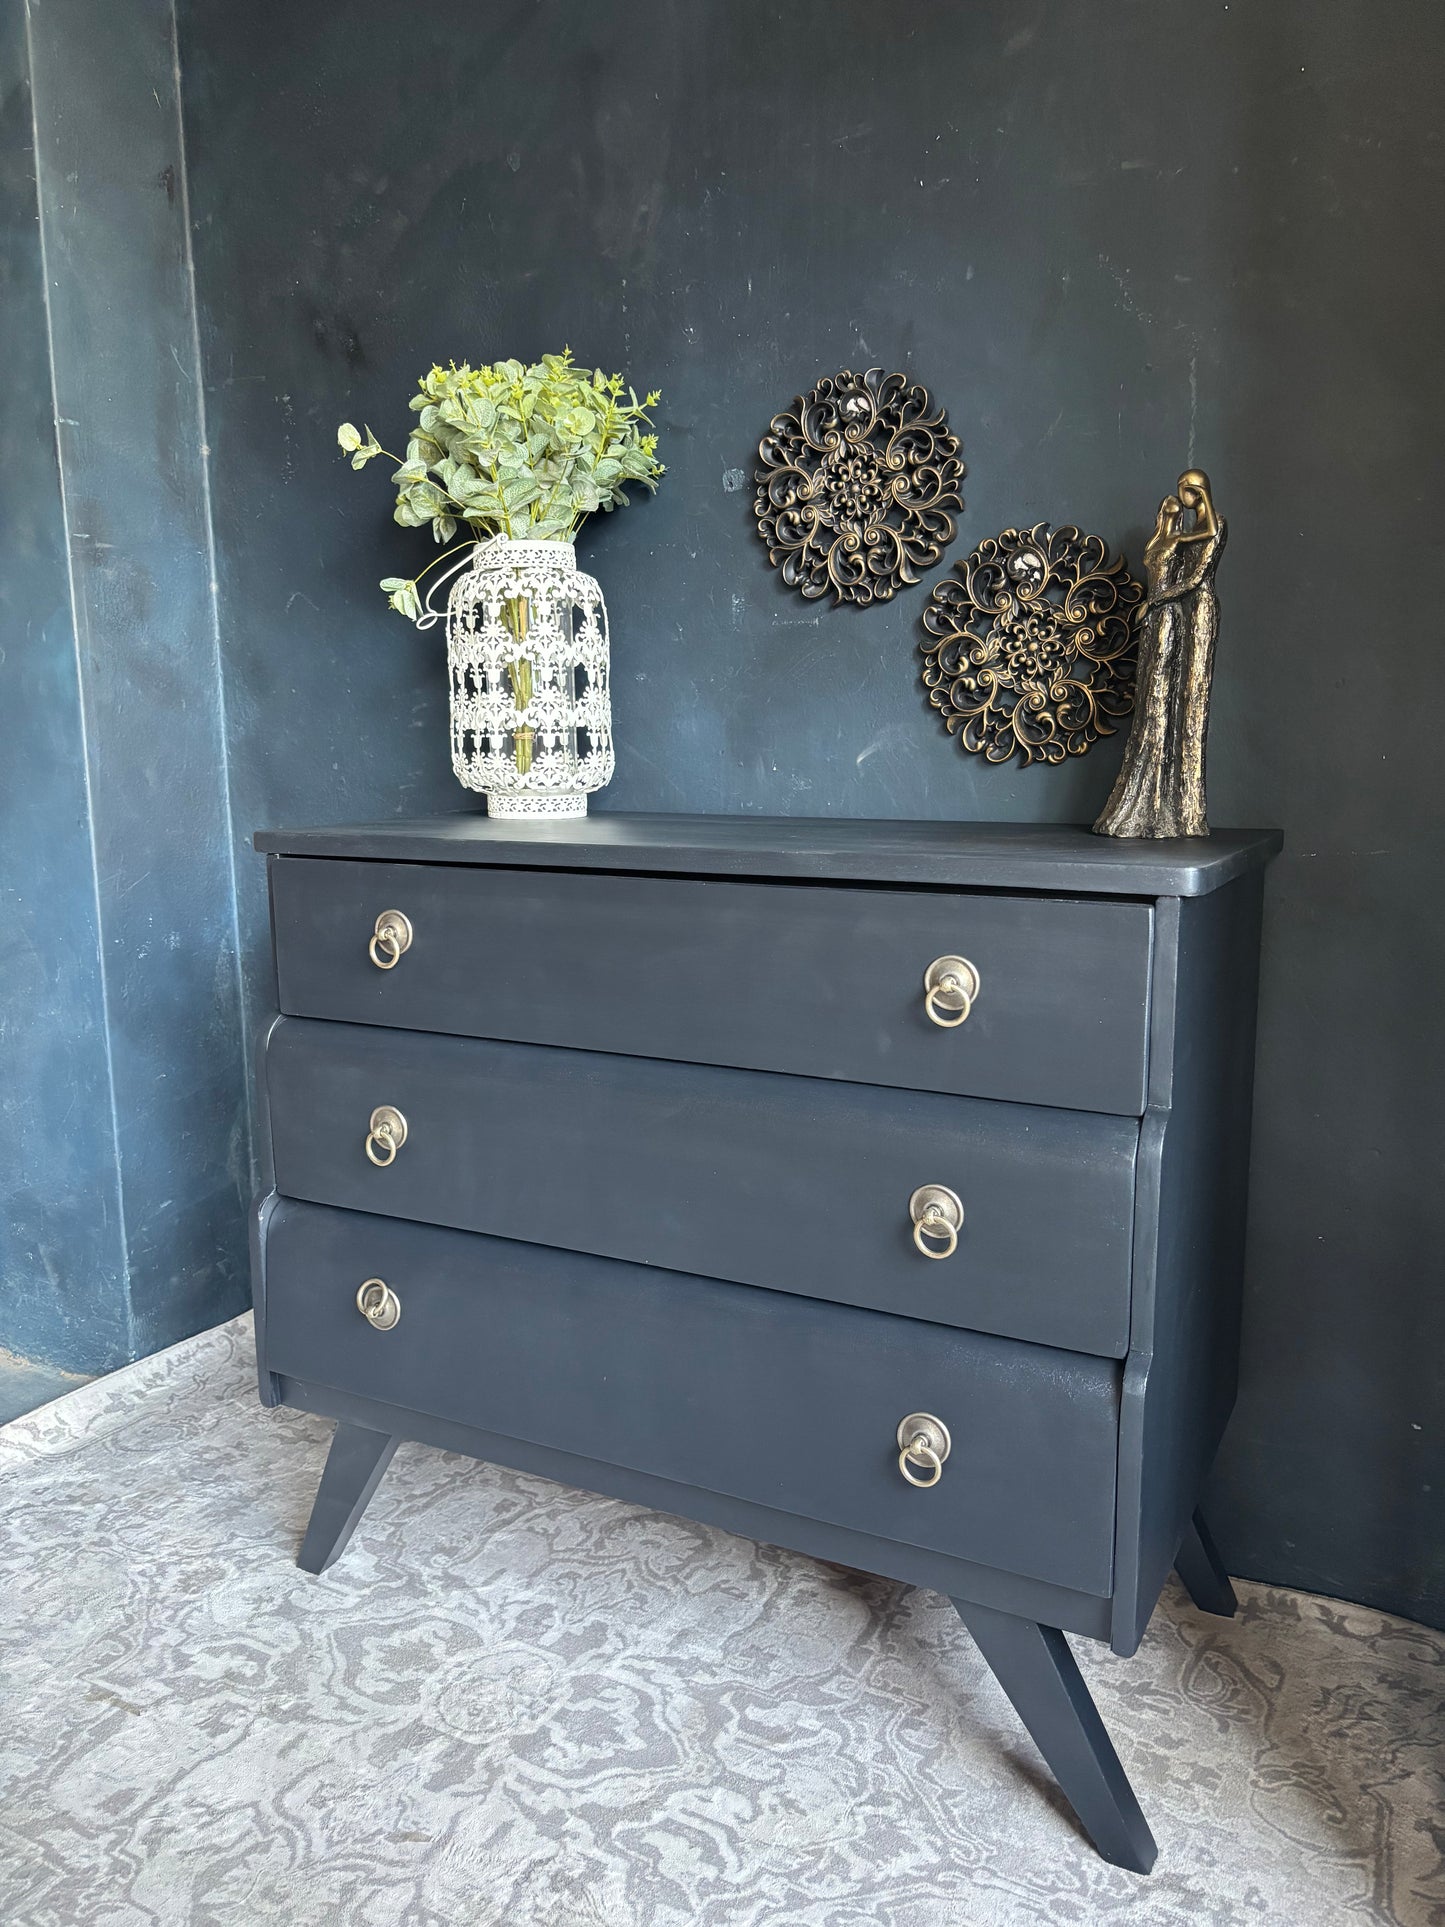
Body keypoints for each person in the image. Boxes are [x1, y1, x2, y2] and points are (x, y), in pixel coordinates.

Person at [1094, 469, 1226, 838]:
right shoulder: (1180, 534)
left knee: (1192, 698)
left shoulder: (1213, 526)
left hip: (1197, 610)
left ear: (1196, 491)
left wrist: (1152, 602)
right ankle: (1152, 800)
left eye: (1185, 490)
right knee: (1160, 693)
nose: (1178, 498)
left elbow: (1198, 577)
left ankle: (1185, 810)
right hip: (1173, 610)